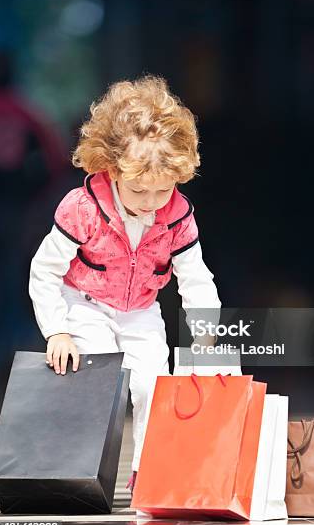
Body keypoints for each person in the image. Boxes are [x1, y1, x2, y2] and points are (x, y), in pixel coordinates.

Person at [28, 75, 221, 495]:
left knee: (154, 384)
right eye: (138, 190)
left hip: (141, 310)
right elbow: (43, 272)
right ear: (111, 168)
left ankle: (148, 471)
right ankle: (82, 474)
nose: (151, 202)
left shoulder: (177, 216)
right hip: (84, 301)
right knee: (100, 378)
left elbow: (196, 276)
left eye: (163, 190)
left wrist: (206, 330)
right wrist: (57, 330)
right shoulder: (81, 208)